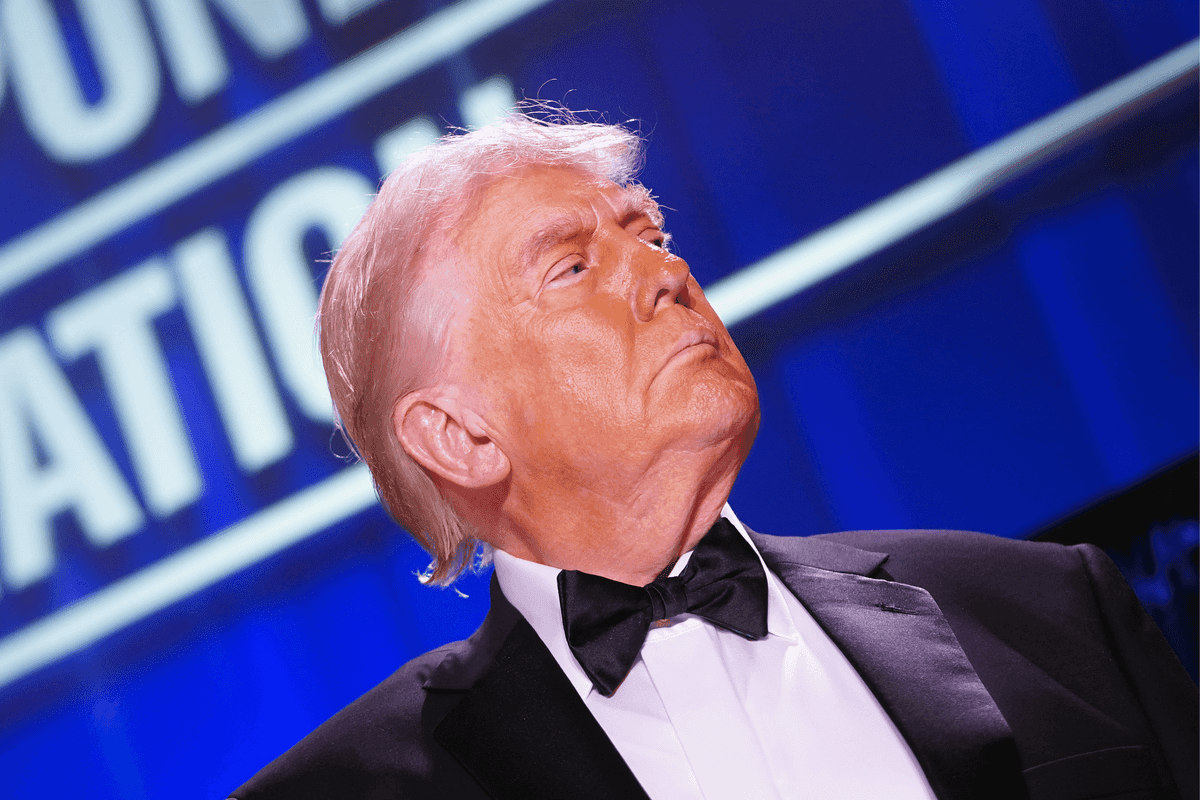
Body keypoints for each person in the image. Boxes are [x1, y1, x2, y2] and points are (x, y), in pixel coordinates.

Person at [231, 108, 1197, 800]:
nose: (666, 271)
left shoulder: (1048, 610)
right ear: (461, 435)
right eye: (573, 267)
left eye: (648, 232)